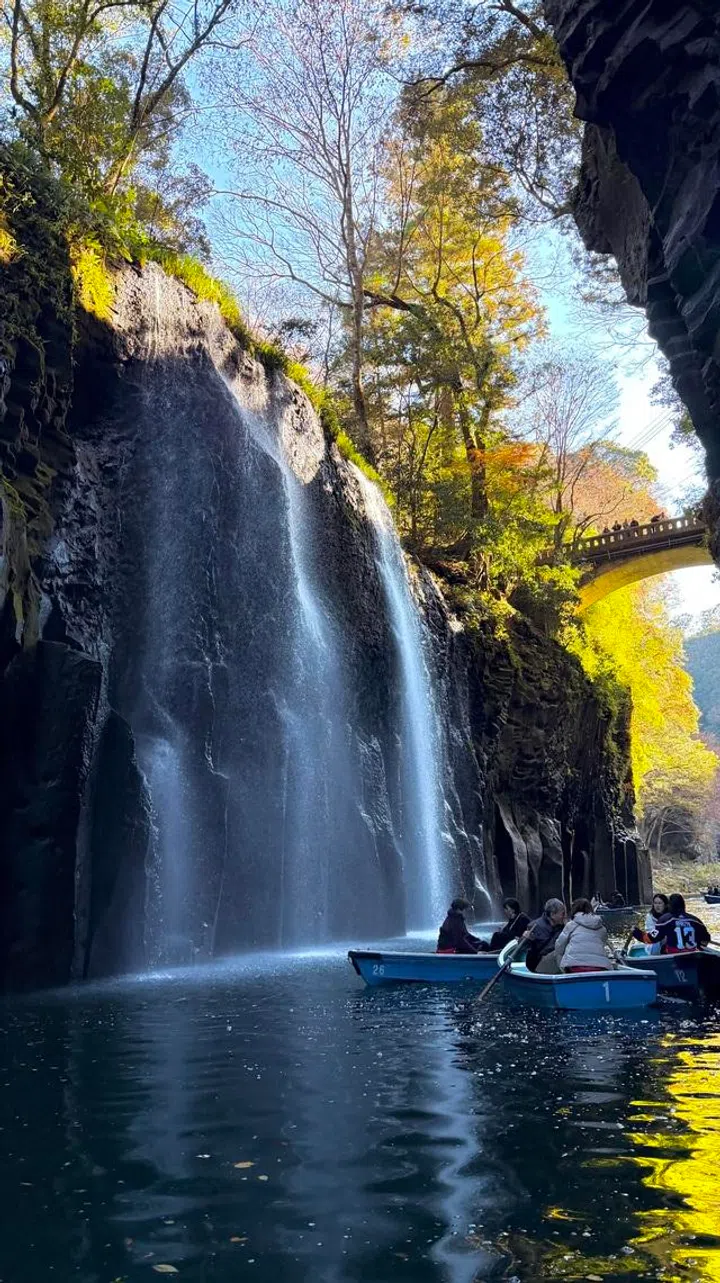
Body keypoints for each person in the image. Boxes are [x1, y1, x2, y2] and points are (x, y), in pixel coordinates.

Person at [632, 893, 710, 954]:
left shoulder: (664, 920)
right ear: (683, 905)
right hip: (692, 952)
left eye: (660, 903)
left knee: (663, 948)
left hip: (673, 953)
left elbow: (650, 939)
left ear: (669, 905)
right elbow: (706, 939)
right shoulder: (696, 920)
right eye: (655, 903)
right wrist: (698, 947)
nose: (657, 906)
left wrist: (636, 933)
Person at [554, 898, 614, 973]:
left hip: (574, 967)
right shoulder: (601, 928)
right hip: (600, 967)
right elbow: (604, 942)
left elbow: (559, 946)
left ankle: (563, 975)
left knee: (558, 954)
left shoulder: (571, 925)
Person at [525, 898, 566, 973]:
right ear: (552, 914)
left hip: (553, 961)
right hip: (538, 963)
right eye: (562, 914)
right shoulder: (534, 926)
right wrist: (525, 938)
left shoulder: (563, 927)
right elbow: (524, 947)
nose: (564, 916)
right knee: (558, 953)